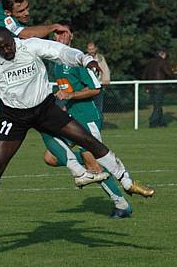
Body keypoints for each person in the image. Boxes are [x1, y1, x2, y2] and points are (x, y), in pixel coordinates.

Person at [0, 27, 155, 247]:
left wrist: (85, 59)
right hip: (14, 118)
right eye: (1, 48)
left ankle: (127, 182)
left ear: (13, 40)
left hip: (45, 110)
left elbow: (61, 52)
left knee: (89, 142)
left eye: (9, 45)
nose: (7, 50)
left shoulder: (29, 46)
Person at [0, 0, 108, 190]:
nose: (26, 13)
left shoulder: (0, 9)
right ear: (9, 13)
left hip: (2, 83)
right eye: (21, 10)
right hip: (10, 84)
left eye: (27, 8)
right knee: (47, 129)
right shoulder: (8, 24)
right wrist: (53, 27)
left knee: (11, 131)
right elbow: (28, 33)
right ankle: (80, 173)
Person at [44, 25, 133, 218]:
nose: (60, 36)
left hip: (87, 118)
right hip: (69, 118)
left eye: (64, 32)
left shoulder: (77, 60)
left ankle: (121, 204)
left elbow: (95, 88)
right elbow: (64, 89)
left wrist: (71, 95)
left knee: (92, 163)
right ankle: (95, 165)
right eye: (57, 33)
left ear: (72, 36)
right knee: (50, 157)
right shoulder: (54, 63)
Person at [142, 49, 174, 128]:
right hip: (159, 86)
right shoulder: (163, 62)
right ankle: (153, 122)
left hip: (150, 86)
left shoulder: (150, 62)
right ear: (163, 54)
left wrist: (146, 87)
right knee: (157, 105)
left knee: (157, 104)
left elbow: (144, 75)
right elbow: (169, 73)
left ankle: (161, 122)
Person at [86, 42, 110, 121]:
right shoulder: (84, 58)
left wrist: (106, 80)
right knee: (89, 104)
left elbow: (105, 70)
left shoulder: (100, 58)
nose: (91, 51)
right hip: (88, 86)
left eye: (92, 49)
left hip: (99, 85)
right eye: (89, 49)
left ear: (96, 49)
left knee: (98, 105)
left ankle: (98, 120)